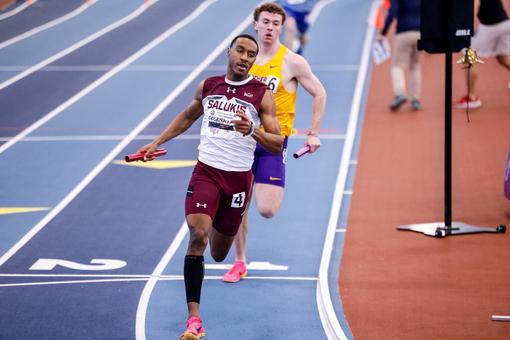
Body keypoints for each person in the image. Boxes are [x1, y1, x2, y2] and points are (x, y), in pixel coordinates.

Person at [136, 34, 283, 340]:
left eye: (251, 54)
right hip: (206, 173)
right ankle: (194, 319)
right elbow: (189, 116)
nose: (244, 57)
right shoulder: (208, 86)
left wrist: (253, 131)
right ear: (228, 52)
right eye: (240, 50)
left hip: (238, 180)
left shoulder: (261, 95)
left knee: (217, 253)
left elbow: (277, 143)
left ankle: (220, 216)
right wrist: (156, 142)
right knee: (198, 236)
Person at [223, 2, 326, 283]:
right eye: (265, 22)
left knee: (267, 209)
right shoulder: (243, 58)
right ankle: (239, 261)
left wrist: (313, 132)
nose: (270, 28)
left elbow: (319, 92)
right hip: (239, 141)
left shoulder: (292, 61)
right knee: (238, 204)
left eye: (275, 23)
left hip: (271, 142)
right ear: (255, 25)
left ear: (281, 28)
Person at [454, 0, 510, 109]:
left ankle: (471, 98)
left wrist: (464, 25)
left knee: (469, 55)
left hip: (490, 26)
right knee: (503, 58)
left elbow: (472, 5)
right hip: (505, 24)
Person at [378, 0, 422, 111]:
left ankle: (400, 93)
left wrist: (383, 33)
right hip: (420, 33)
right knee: (415, 66)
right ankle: (415, 98)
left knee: (397, 66)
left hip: (403, 32)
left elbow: (392, 12)